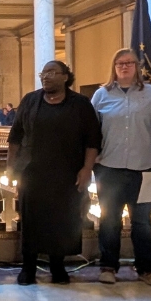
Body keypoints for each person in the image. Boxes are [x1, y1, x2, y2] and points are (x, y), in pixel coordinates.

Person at [7, 61, 101, 285]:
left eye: (51, 72)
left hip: (67, 173)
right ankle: (28, 267)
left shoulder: (80, 104)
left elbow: (93, 140)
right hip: (32, 172)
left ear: (65, 77)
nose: (45, 76)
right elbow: (15, 137)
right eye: (43, 73)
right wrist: (10, 167)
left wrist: (87, 169)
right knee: (31, 221)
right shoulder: (31, 101)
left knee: (62, 220)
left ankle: (57, 266)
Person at [90, 48, 151, 286]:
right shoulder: (101, 95)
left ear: (137, 67)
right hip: (109, 167)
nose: (124, 67)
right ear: (114, 68)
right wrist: (92, 158)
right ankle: (108, 266)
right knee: (109, 220)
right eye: (120, 63)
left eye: (129, 63)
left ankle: (145, 267)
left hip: (144, 168)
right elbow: (91, 129)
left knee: (143, 223)